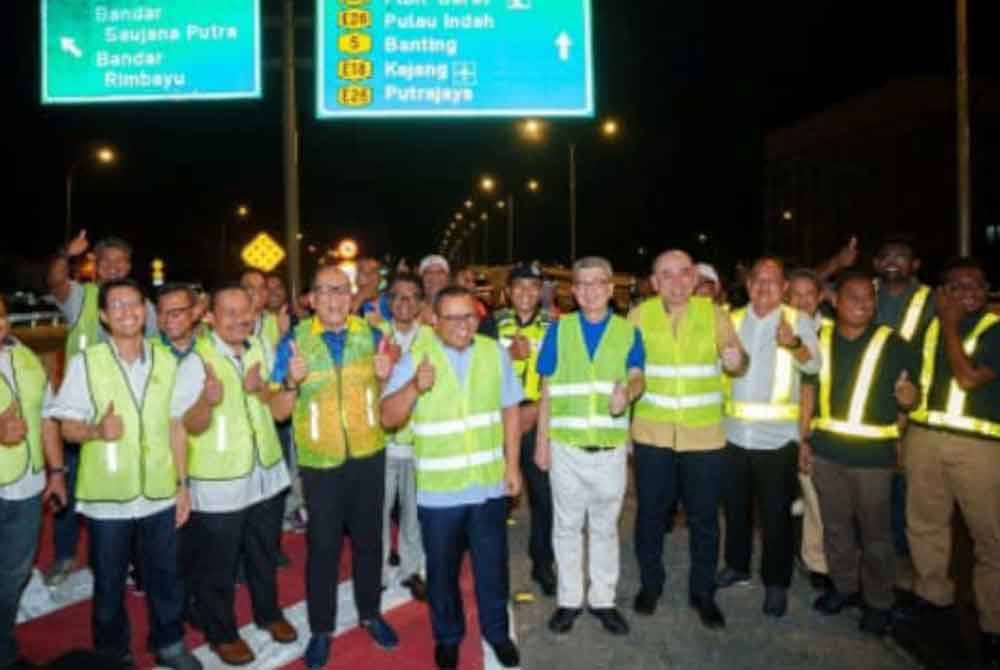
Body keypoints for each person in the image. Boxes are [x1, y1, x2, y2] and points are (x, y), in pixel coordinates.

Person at [46, 278, 201, 670]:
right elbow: (67, 427)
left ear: (145, 312)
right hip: (107, 497)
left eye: (133, 304)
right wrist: (98, 431)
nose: (127, 312)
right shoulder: (87, 363)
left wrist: (182, 485)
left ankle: (168, 642)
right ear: (103, 315)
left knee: (165, 576)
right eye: (116, 305)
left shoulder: (166, 360)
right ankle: (112, 653)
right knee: (109, 582)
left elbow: (176, 426)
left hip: (159, 492)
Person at [381, 285, 523, 670]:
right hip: (440, 494)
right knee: (442, 575)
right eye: (452, 318)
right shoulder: (416, 360)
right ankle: (447, 637)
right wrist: (414, 387)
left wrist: (513, 466)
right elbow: (387, 417)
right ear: (435, 321)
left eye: (469, 316)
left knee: (493, 570)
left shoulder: (494, 353)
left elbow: (511, 409)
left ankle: (497, 634)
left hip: (489, 488)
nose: (463, 325)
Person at [271, 266, 399, 670]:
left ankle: (370, 614)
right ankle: (321, 630)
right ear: (311, 299)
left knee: (369, 543)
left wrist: (385, 378)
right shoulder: (294, 341)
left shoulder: (372, 335)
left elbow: (387, 400)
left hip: (369, 455)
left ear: (351, 295)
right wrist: (290, 383)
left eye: (341, 290)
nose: (334, 299)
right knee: (323, 548)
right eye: (325, 291)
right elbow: (277, 411)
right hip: (320, 462)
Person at [172, 284, 296, 665]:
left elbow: (279, 412)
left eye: (246, 312)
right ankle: (221, 633)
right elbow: (184, 425)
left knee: (264, 553)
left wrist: (273, 388)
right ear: (210, 316)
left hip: (266, 475)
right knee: (218, 566)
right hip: (218, 483)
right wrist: (205, 401)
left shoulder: (261, 347)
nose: (240, 320)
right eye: (230, 312)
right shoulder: (197, 361)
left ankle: (268, 613)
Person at [628, 250, 746, 629]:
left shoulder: (714, 315)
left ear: (694, 278)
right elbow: (626, 368)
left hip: (703, 437)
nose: (676, 282)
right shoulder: (638, 316)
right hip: (653, 435)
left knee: (704, 520)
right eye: (667, 274)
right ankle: (650, 585)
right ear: (654, 281)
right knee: (650, 515)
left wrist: (736, 361)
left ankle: (703, 592)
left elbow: (737, 359)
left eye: (683, 273)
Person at [800, 269, 920, 636]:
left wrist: (908, 399)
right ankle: (844, 588)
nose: (862, 303)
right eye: (853, 296)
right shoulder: (820, 339)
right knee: (836, 528)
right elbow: (808, 392)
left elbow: (912, 397)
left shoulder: (895, 343)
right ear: (836, 301)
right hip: (826, 454)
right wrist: (803, 440)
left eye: (869, 297)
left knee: (876, 536)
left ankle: (879, 602)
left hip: (873, 460)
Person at [535, 256, 645, 637]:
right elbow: (547, 389)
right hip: (566, 449)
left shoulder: (628, 332)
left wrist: (627, 394)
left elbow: (638, 376)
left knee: (604, 527)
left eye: (598, 283)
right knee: (566, 527)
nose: (590, 290)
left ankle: (603, 600)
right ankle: (568, 600)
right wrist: (542, 443)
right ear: (573, 291)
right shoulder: (560, 329)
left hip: (609, 450)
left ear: (610, 288)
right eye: (582, 284)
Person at [44, 231, 159, 587]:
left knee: (130, 484)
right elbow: (55, 282)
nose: (114, 267)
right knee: (72, 483)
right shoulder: (82, 297)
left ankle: (131, 559)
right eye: (107, 261)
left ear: (129, 266)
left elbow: (156, 354)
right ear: (95, 266)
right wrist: (66, 254)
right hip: (82, 413)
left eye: (120, 261)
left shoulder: (143, 307)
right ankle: (65, 554)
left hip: (128, 416)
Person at [900, 257, 999, 667]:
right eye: (957, 285)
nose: (967, 291)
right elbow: (915, 385)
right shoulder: (929, 329)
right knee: (925, 526)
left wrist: (951, 325)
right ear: (943, 292)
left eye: (976, 284)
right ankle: (933, 602)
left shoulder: (994, 329)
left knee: (991, 537)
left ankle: (993, 624)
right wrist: (906, 412)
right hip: (925, 438)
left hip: (979, 447)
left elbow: (968, 379)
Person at [717, 258, 820, 618]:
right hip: (732, 435)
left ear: (784, 287)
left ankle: (776, 583)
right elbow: (715, 371)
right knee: (735, 509)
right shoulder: (730, 320)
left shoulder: (798, 320)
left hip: (777, 440)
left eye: (772, 280)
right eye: (757, 280)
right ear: (748, 286)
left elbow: (814, 365)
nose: (764, 286)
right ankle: (737, 566)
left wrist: (794, 344)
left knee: (776, 516)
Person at [0, 294, 67, 670]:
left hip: (27, 489)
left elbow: (46, 419)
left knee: (14, 575)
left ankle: (4, 650)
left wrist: (56, 473)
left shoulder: (26, 358)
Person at [494, 262, 556, 596]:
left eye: (533, 286)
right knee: (496, 496)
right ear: (508, 291)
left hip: (537, 417)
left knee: (544, 496)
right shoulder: (491, 323)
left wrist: (537, 411)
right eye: (519, 286)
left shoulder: (555, 325)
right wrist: (508, 354)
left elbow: (560, 374)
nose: (526, 293)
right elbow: (478, 366)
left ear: (541, 292)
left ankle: (542, 562)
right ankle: (491, 564)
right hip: (498, 420)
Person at [379, 273, 434, 600]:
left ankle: (413, 569)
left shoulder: (432, 336)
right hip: (381, 440)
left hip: (419, 440)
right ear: (389, 301)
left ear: (421, 303)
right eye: (398, 296)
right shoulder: (374, 335)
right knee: (378, 511)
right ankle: (379, 570)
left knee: (416, 511)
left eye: (412, 296)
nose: (405, 302)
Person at [786, 268, 834, 592]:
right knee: (788, 496)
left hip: (816, 423)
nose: (803, 301)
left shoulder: (832, 332)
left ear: (820, 297)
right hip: (781, 423)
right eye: (796, 294)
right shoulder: (779, 327)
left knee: (816, 498)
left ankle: (818, 562)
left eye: (809, 294)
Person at [241, 270, 287, 357]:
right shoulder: (230, 322)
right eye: (251, 287)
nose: (258, 291)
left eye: (262, 287)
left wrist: (283, 335)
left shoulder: (277, 322)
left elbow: (283, 358)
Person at [156, 283, 199, 360]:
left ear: (194, 312)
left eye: (176, 312)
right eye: (162, 312)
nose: (168, 319)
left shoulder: (215, 347)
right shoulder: (146, 350)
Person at [418, 255, 451, 325]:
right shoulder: (412, 310)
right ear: (421, 278)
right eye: (428, 272)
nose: (434, 276)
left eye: (440, 272)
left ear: (448, 278)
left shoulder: (459, 308)